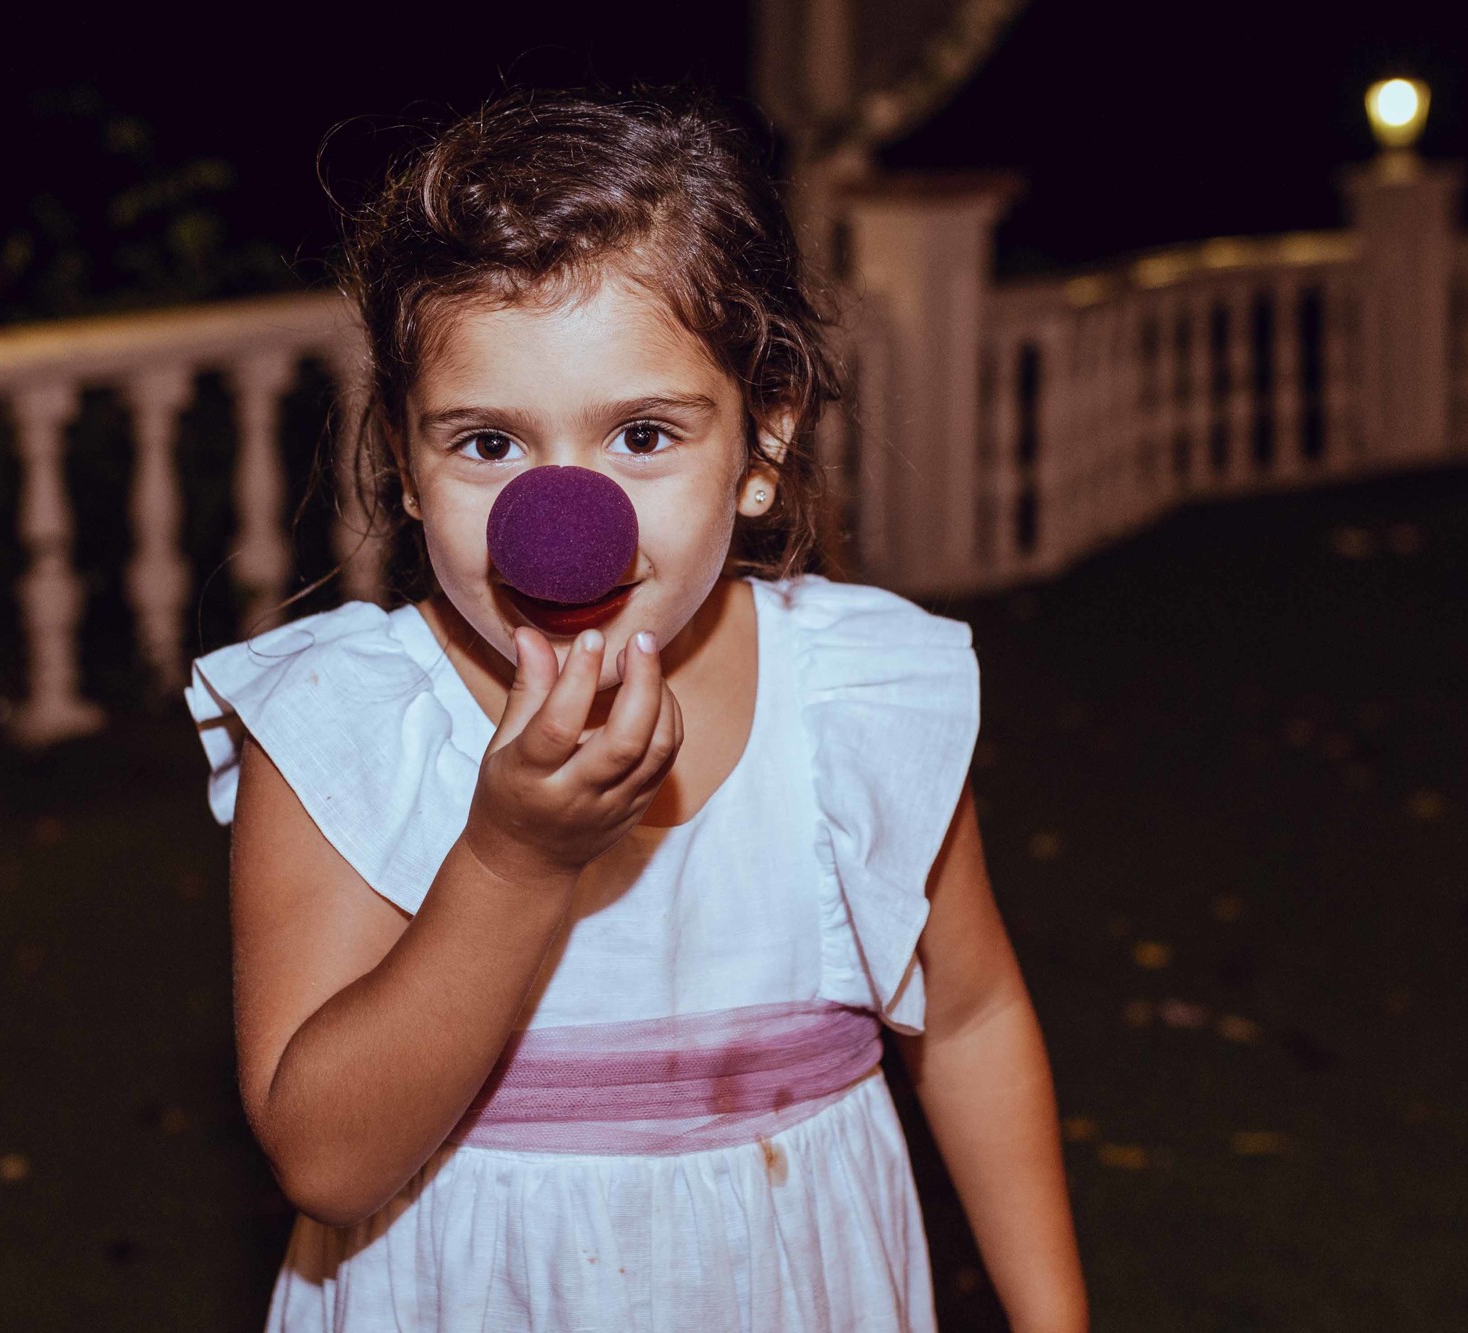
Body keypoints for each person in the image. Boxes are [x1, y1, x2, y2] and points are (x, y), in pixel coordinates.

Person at [183, 87, 1087, 1331]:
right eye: (488, 444)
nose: (563, 526)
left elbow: (972, 1015)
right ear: (401, 460)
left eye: (644, 434)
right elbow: (327, 1159)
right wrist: (510, 859)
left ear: (762, 439)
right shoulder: (345, 729)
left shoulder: (858, 698)